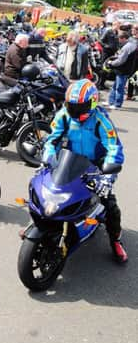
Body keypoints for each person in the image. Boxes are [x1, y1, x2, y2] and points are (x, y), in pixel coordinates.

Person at [42, 79, 127, 263]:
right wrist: (48, 157)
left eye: (80, 106)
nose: (75, 110)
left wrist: (108, 177)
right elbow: (52, 139)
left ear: (92, 103)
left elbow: (114, 148)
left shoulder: (101, 121)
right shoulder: (63, 115)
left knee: (110, 208)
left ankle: (116, 240)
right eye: (72, 106)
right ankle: (38, 226)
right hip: (69, 163)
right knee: (46, 194)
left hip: (95, 167)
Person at [104, 31, 137, 109]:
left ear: (124, 39)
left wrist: (111, 63)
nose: (118, 40)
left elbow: (121, 60)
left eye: (119, 39)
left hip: (123, 70)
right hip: (123, 69)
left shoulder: (127, 47)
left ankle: (117, 104)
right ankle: (111, 102)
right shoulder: (130, 44)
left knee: (119, 87)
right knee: (115, 86)